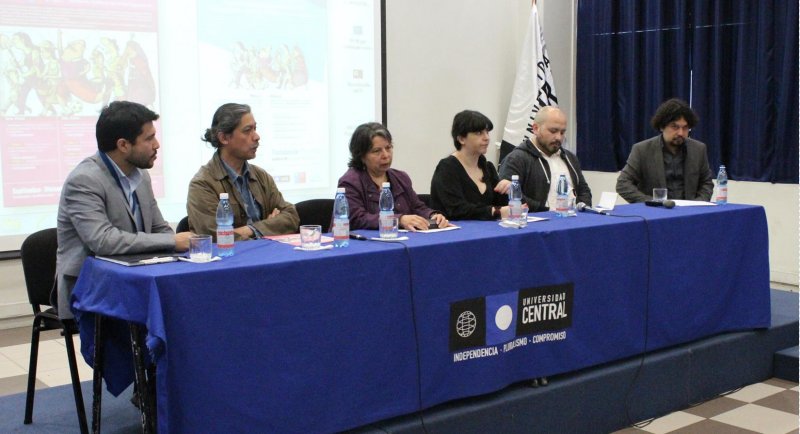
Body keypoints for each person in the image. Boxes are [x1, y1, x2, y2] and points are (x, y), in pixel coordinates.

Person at [56, 101, 192, 319]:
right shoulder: (84, 180)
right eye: (149, 138)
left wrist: (174, 245)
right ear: (123, 145)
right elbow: (103, 241)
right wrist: (172, 241)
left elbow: (159, 228)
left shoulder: (141, 176)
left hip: (137, 279)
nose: (157, 145)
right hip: (91, 290)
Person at [187, 103, 299, 239]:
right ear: (224, 138)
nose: (256, 136)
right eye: (247, 130)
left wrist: (250, 230)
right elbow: (216, 237)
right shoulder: (203, 184)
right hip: (234, 254)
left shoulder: (261, 176)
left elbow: (291, 216)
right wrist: (269, 227)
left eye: (255, 128)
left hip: (266, 251)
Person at [338, 122, 449, 230]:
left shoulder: (401, 177)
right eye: (377, 151)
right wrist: (398, 220)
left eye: (388, 148)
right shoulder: (350, 182)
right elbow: (357, 219)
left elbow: (417, 207)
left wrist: (432, 215)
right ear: (361, 155)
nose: (386, 155)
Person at [616, 98, 714, 203]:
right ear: (662, 127)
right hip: (656, 211)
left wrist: (697, 204)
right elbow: (623, 184)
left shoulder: (698, 149)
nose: (681, 133)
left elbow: (706, 183)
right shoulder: (642, 150)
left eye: (685, 128)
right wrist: (652, 202)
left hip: (689, 210)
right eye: (675, 127)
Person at [499, 106, 592, 212]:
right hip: (538, 219)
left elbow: (583, 190)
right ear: (535, 129)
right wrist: (547, 211)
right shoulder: (516, 159)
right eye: (553, 131)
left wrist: (583, 212)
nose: (558, 137)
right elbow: (510, 197)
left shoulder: (569, 158)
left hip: (573, 218)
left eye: (562, 132)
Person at [430, 110, 511, 220]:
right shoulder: (447, 169)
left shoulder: (488, 168)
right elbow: (456, 210)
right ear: (461, 139)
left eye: (487, 132)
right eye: (479, 133)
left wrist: (509, 190)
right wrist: (495, 211)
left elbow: (503, 204)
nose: (487, 137)